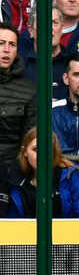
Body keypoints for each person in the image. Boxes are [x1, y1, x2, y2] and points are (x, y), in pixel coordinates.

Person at [5, 128, 79, 218]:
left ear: (54, 152)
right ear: (25, 152)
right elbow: (12, 223)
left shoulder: (70, 176)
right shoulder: (15, 179)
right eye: (36, 150)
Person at [0, 22, 34, 171]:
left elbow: (30, 139)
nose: (6, 50)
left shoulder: (29, 90)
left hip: (11, 170)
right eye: (1, 43)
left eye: (12, 45)